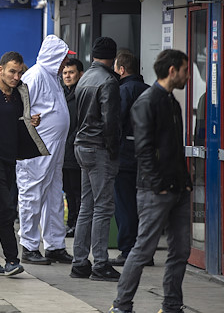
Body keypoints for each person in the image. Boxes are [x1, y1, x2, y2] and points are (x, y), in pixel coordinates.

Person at [109, 49, 192, 313]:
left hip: (178, 188)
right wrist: (158, 184)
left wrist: (185, 181)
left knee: (180, 251)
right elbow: (143, 150)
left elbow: (174, 149)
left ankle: (171, 305)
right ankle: (121, 305)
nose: (187, 76)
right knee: (143, 249)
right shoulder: (147, 101)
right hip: (155, 190)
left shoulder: (172, 102)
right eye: (185, 70)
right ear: (172, 71)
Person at [0, 51, 48, 277]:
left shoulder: (20, 91)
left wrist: (30, 121)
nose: (16, 76)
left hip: (9, 157)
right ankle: (12, 259)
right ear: (0, 69)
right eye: (12, 71)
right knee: (6, 207)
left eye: (20, 72)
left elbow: (16, 119)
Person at [15, 35, 74, 266]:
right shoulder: (36, 76)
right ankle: (29, 246)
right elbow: (21, 110)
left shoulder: (51, 77)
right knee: (32, 193)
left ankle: (55, 245)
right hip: (37, 150)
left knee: (53, 196)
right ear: (54, 57)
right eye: (62, 59)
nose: (64, 64)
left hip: (51, 149)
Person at [70, 36, 121, 282]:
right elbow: (111, 122)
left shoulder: (85, 79)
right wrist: (114, 150)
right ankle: (101, 264)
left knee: (86, 206)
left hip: (82, 146)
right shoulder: (108, 81)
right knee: (103, 207)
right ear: (112, 57)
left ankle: (80, 262)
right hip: (99, 148)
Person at [109, 50, 150, 267]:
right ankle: (146, 251)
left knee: (125, 205)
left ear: (121, 69)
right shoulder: (150, 91)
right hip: (147, 159)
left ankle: (127, 250)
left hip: (125, 158)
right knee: (144, 206)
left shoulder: (123, 91)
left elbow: (116, 123)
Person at [61, 58, 84, 238]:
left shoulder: (81, 95)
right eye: (65, 73)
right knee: (68, 190)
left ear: (80, 74)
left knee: (78, 190)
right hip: (62, 151)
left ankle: (78, 225)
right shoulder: (60, 93)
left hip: (75, 150)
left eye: (71, 72)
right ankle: (71, 223)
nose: (67, 76)